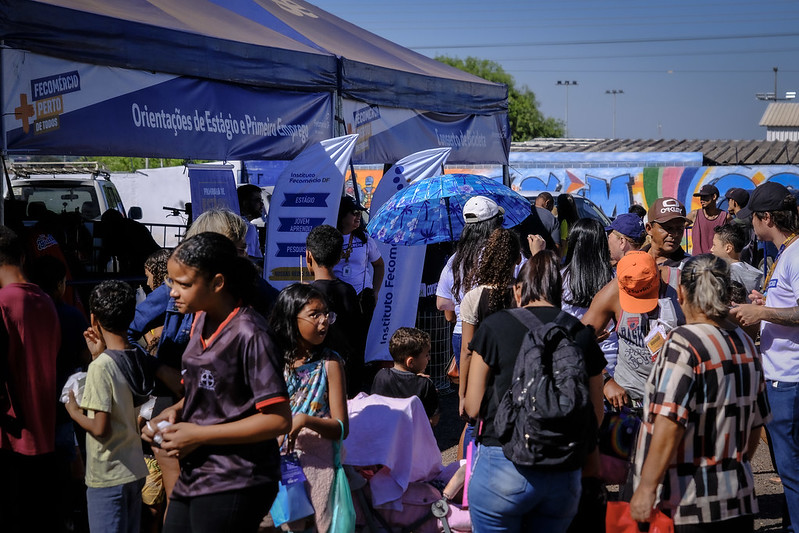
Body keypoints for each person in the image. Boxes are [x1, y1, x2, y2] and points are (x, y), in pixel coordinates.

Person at [142, 232, 292, 533]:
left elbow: (278, 420)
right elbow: (213, 390)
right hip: (198, 470)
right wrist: (177, 411)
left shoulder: (250, 334)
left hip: (239, 476)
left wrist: (198, 433)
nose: (172, 292)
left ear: (217, 283)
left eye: (184, 284)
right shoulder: (199, 320)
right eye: (172, 282)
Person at [464, 251, 606, 532]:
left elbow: (473, 407)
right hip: (561, 472)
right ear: (557, 291)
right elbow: (596, 415)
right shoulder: (581, 334)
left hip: (501, 464)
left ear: (519, 290)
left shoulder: (493, 327)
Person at [630, 255, 771, 532]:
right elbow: (756, 423)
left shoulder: (683, 344)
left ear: (681, 292)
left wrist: (646, 488)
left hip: (689, 503)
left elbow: (669, 423)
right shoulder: (745, 343)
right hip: (736, 498)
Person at [730, 181, 799, 531]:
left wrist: (763, 314)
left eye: (753, 219)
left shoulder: (796, 253)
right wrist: (765, 305)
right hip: (781, 379)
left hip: (791, 381)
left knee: (792, 471)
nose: (751, 227)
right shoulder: (787, 253)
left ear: (767, 218)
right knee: (788, 470)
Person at [65, 280, 152, 533]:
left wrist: (74, 412)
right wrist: (96, 355)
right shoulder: (137, 355)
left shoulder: (101, 367)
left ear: (93, 319)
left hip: (108, 474)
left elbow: (100, 428)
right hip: (134, 469)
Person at [268, 283, 349, 533]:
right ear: (291, 319)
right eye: (314, 315)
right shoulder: (272, 360)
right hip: (278, 459)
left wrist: (304, 420)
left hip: (319, 465)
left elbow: (341, 428)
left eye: (326, 314)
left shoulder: (330, 364)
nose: (324, 321)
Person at [0, 226, 61, 532]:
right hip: (44, 429)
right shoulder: (46, 300)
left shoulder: (3, 301)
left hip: (10, 435)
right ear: (22, 257)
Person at [582, 250, 685, 409]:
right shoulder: (612, 292)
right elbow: (576, 342)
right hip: (630, 401)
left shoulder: (682, 285)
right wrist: (605, 381)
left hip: (676, 400)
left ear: (657, 275)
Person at [437, 195, 505, 377]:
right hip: (498, 330)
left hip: (461, 332)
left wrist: (460, 307)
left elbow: (442, 303)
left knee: (468, 392)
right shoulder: (506, 256)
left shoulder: (456, 259)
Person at [306, 224, 366, 397]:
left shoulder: (307, 296)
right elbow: (358, 337)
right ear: (340, 257)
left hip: (316, 380)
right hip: (347, 375)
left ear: (308, 255)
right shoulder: (349, 292)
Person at [372, 327, 439, 425]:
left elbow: (374, 406)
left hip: (385, 434)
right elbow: (433, 420)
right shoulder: (425, 384)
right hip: (413, 437)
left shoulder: (381, 376)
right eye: (426, 355)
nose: (429, 358)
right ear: (410, 362)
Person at [710, 223, 763, 299]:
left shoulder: (725, 276)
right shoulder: (756, 274)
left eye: (714, 245)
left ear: (728, 248)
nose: (711, 249)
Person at [642, 197, 690, 267]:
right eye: (668, 228)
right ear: (649, 229)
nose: (675, 234)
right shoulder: (633, 262)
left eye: (680, 229)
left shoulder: (690, 267)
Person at [687, 184, 728, 255]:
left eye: (705, 197)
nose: (701, 200)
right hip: (698, 262)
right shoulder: (694, 214)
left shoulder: (725, 217)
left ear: (714, 197)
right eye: (701, 197)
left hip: (717, 262)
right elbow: (677, 228)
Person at [237, 184, 265, 260]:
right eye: (258, 200)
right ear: (245, 203)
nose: (262, 204)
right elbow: (249, 259)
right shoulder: (248, 228)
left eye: (261, 201)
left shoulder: (235, 223)